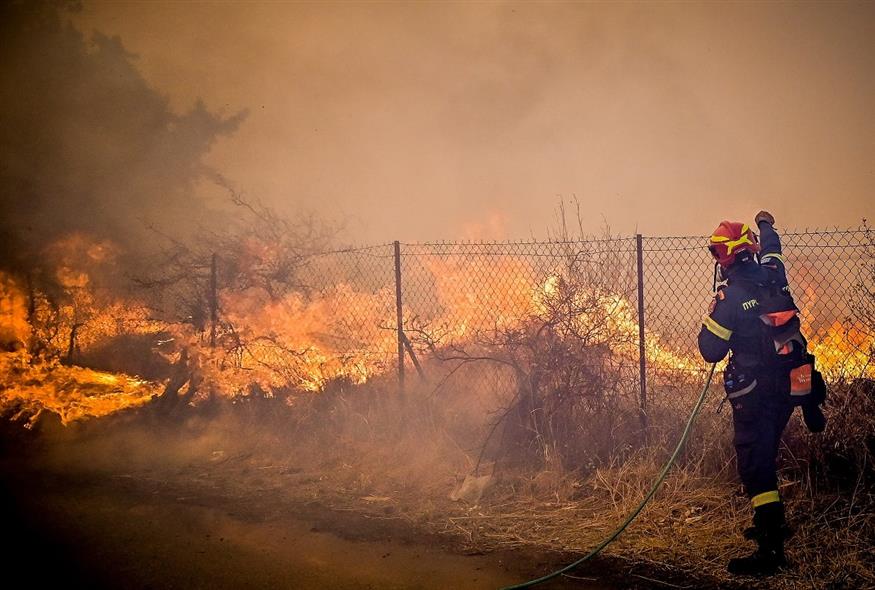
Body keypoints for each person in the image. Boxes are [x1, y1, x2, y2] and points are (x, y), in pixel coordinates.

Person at [698, 211, 826, 576]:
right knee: (766, 453)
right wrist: (765, 224)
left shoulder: (730, 297)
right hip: (790, 386)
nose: (716, 258)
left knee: (756, 465)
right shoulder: (774, 273)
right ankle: (770, 522)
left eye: (717, 251)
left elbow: (710, 350)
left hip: (756, 393)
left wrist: (714, 316)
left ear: (730, 255)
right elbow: (773, 248)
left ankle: (771, 550)